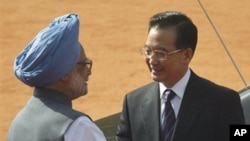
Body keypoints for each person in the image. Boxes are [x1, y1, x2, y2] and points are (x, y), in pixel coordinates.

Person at [116, 11, 245, 141]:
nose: (152, 60)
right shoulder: (133, 102)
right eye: (148, 51)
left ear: (186, 55)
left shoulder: (224, 101)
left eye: (161, 53)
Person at [8, 14, 106, 141]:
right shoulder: (78, 127)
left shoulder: (17, 123)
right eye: (83, 65)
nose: (88, 72)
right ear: (65, 74)